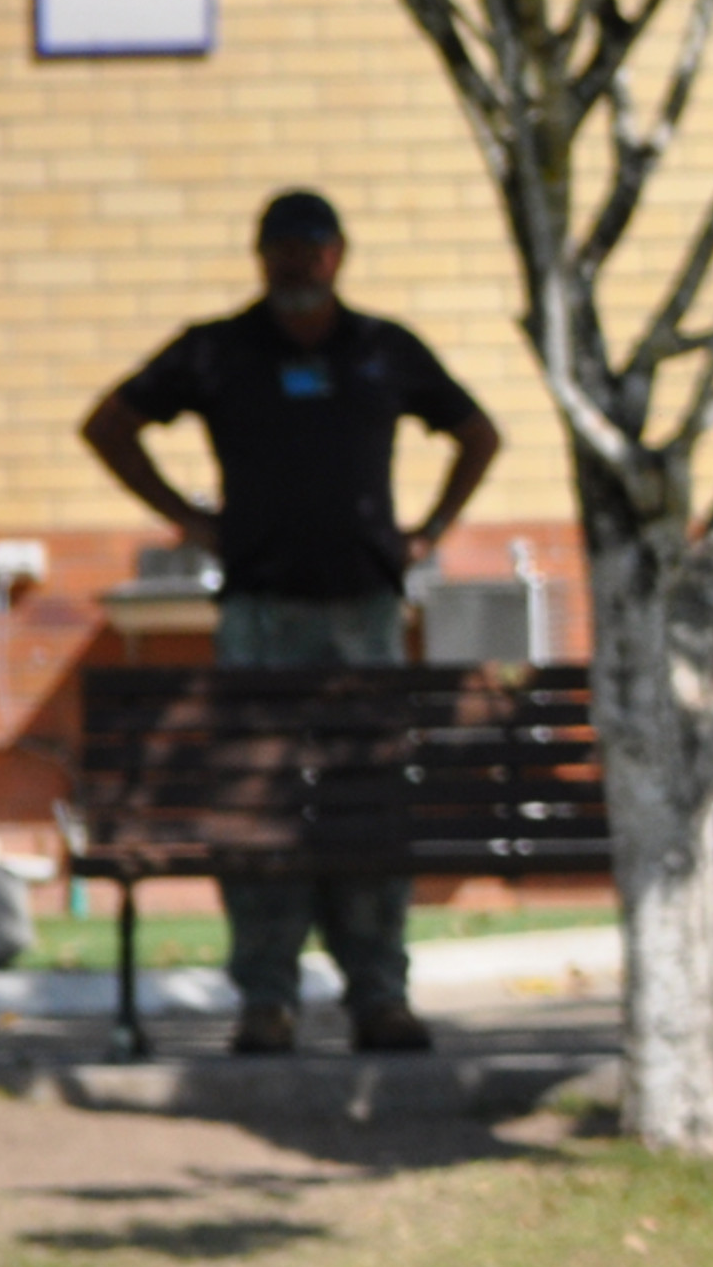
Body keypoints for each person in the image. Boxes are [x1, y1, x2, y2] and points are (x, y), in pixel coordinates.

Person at [82, 189, 501, 1056]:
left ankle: (379, 993)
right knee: (260, 805)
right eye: (282, 246)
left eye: (313, 246)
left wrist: (427, 534)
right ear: (258, 255)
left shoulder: (383, 351)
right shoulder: (218, 352)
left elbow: (479, 434)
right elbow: (110, 425)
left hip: (365, 614)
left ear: (339, 255)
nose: (298, 262)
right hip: (261, 616)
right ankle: (265, 999)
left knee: (368, 800)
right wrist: (189, 520)